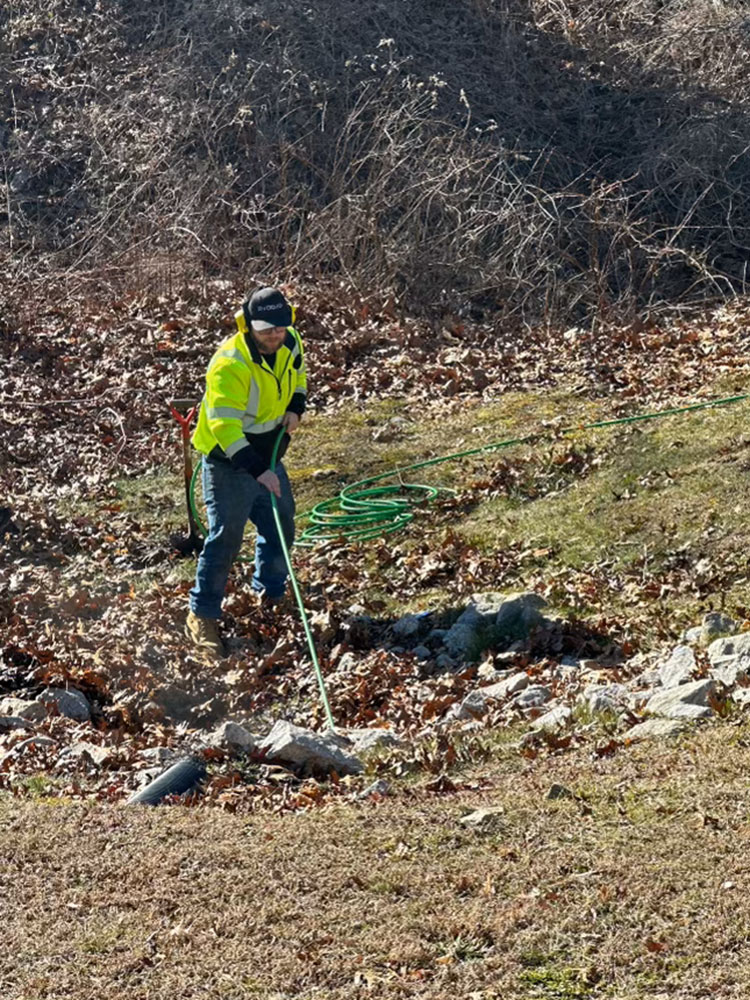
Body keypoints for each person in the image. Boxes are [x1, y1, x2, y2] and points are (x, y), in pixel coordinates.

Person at [186, 286, 307, 658]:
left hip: (268, 453)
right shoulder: (230, 364)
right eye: (266, 329)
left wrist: (296, 406)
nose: (275, 335)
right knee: (225, 537)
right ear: (248, 325)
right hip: (229, 461)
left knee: (281, 525)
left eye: (280, 328)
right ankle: (202, 614)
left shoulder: (290, 341)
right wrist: (258, 471)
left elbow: (299, 375)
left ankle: (270, 593)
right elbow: (224, 428)